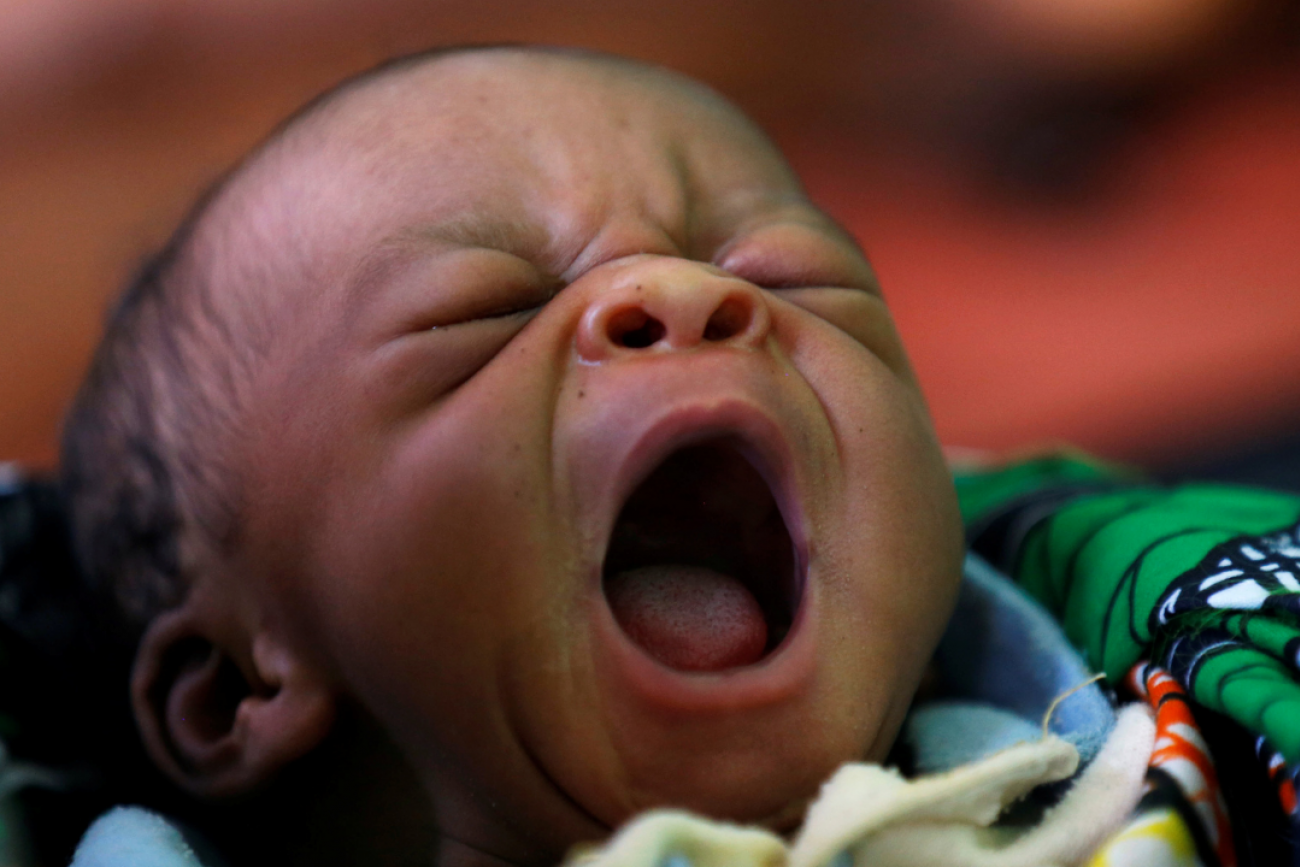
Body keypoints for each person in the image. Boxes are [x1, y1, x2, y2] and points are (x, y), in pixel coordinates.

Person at [49, 45, 1300, 867]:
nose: (684, 293)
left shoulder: (1145, 764)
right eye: (478, 314)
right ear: (235, 689)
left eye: (781, 268)